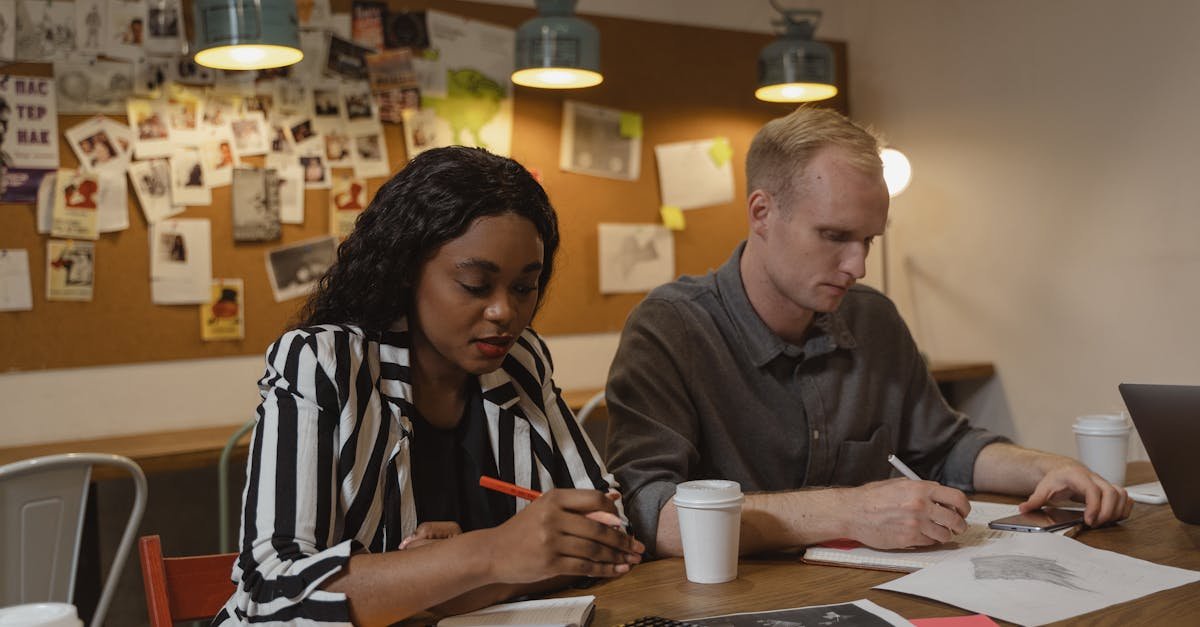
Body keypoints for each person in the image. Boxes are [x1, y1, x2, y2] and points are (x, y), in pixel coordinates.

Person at [604, 106, 1131, 559]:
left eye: (868, 240)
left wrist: (1049, 466)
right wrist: (848, 512)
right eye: (834, 236)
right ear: (762, 213)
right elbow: (650, 511)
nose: (857, 265)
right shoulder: (671, 328)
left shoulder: (872, 317)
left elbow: (944, 447)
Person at [217, 147, 644, 625]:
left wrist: (439, 580)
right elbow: (273, 593)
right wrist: (488, 555)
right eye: (476, 285)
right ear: (406, 271)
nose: (505, 312)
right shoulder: (325, 362)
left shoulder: (521, 362)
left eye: (525, 287)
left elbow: (607, 529)